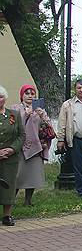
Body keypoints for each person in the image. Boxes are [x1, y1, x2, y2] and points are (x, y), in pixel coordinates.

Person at [12, 85, 51, 205]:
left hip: (36, 147)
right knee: (18, 175)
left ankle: (28, 201)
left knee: (32, 175)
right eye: (27, 93)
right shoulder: (15, 108)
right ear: (22, 95)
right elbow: (14, 126)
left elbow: (47, 126)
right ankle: (11, 201)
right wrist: (25, 115)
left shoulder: (39, 109)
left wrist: (43, 115)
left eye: (32, 93)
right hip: (21, 147)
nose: (30, 96)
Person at [0, 86, 24, 225]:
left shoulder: (14, 114)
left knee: (8, 185)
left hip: (10, 158)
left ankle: (7, 215)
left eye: (1, 97)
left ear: (5, 98)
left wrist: (11, 149)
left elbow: (22, 135)